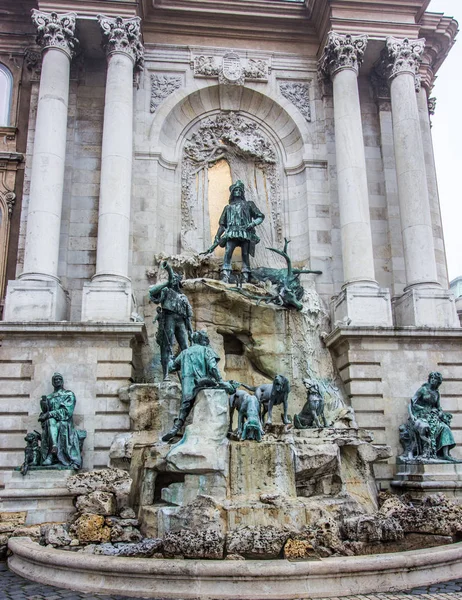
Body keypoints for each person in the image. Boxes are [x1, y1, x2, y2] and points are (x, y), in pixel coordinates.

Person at [162, 330, 234, 441]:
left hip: (188, 386)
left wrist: (171, 360)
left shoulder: (184, 353)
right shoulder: (207, 350)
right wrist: (220, 381)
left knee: (185, 405)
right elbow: (213, 367)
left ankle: (176, 427)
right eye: (206, 340)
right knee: (224, 388)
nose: (207, 342)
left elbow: (171, 367)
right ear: (203, 340)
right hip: (204, 384)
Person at [209, 180, 265, 283]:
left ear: (242, 192)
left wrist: (253, 224)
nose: (238, 191)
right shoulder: (228, 208)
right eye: (236, 190)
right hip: (231, 233)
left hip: (245, 232)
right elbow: (222, 225)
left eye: (239, 190)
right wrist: (217, 236)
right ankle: (225, 273)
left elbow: (260, 216)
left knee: (245, 253)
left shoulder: (249, 204)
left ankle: (245, 274)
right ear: (232, 193)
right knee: (228, 252)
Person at [149, 261, 193, 380]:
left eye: (176, 278)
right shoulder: (165, 291)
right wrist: (167, 282)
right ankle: (166, 375)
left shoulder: (183, 297)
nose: (174, 280)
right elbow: (151, 292)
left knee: (185, 347)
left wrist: (191, 332)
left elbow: (188, 316)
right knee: (166, 345)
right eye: (173, 278)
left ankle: (187, 376)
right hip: (168, 318)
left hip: (181, 321)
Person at [38, 373, 86, 469]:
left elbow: (67, 412)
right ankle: (54, 448)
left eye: (59, 379)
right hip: (51, 423)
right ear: (52, 382)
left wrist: (49, 414)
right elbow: (45, 413)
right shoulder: (49, 397)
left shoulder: (68, 394)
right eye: (55, 379)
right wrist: (44, 406)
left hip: (65, 422)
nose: (57, 381)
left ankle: (51, 455)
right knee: (50, 421)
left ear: (62, 381)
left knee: (59, 424)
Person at [408, 371, 456, 461]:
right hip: (420, 415)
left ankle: (445, 454)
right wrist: (412, 415)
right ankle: (424, 452)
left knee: (445, 428)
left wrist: (441, 413)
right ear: (429, 379)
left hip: (432, 416)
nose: (433, 380)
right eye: (432, 378)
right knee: (427, 428)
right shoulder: (423, 389)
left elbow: (438, 407)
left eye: (435, 379)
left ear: (438, 382)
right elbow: (411, 403)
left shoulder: (436, 394)